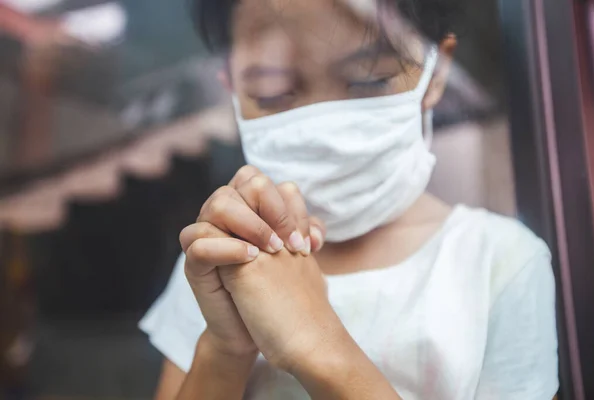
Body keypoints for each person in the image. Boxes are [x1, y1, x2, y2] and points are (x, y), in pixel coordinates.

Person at [140, 0, 559, 399]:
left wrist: (320, 347)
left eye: (369, 80)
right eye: (272, 90)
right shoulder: (221, 258)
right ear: (232, 86)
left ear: (436, 72)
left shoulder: (499, 265)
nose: (323, 120)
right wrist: (223, 350)